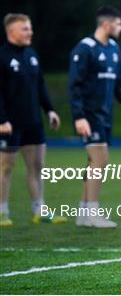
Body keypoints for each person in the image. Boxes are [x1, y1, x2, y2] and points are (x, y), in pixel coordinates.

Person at [68, 6, 121, 228]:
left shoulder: (114, 49)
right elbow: (74, 86)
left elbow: (119, 85)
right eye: (119, 24)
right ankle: (93, 213)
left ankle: (83, 214)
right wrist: (79, 116)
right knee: (100, 160)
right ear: (107, 24)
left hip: (105, 116)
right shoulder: (85, 49)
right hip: (89, 115)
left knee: (95, 161)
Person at [0, 13, 66, 226]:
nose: (30, 32)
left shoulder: (31, 54)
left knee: (37, 166)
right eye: (25, 29)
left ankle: (39, 210)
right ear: (11, 32)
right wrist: (2, 119)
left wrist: (49, 110)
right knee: (6, 167)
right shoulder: (2, 56)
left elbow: (40, 86)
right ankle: (2, 212)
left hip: (33, 121)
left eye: (30, 28)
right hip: (9, 123)